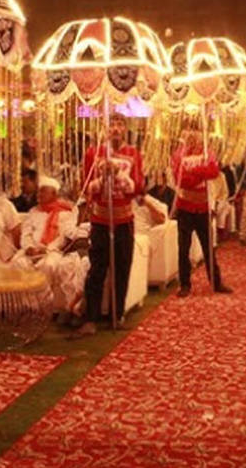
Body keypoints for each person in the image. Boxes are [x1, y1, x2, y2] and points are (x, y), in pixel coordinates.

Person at [77, 114, 143, 336]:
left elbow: (138, 187)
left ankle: (118, 314)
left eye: (119, 125)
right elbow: (86, 187)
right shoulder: (92, 153)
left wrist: (120, 179)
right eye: (112, 125)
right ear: (105, 129)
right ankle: (90, 318)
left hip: (124, 219)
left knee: (122, 267)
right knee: (97, 269)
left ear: (125, 129)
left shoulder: (133, 154)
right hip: (100, 219)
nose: (115, 129)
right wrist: (101, 178)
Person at [11, 176, 87, 326]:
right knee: (17, 263)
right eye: (39, 192)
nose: (39, 195)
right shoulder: (33, 212)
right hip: (31, 249)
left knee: (49, 265)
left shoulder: (66, 212)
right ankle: (27, 308)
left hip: (52, 250)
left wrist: (46, 249)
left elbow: (63, 236)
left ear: (54, 195)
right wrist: (29, 247)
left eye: (44, 192)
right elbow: (26, 233)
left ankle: (44, 308)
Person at [171, 121, 232, 298]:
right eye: (188, 130)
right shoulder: (178, 154)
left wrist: (194, 172)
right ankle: (184, 284)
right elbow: (181, 179)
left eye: (195, 130)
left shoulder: (208, 152)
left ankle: (216, 282)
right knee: (183, 248)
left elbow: (213, 171)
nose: (192, 134)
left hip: (203, 207)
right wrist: (200, 172)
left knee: (208, 248)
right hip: (185, 207)